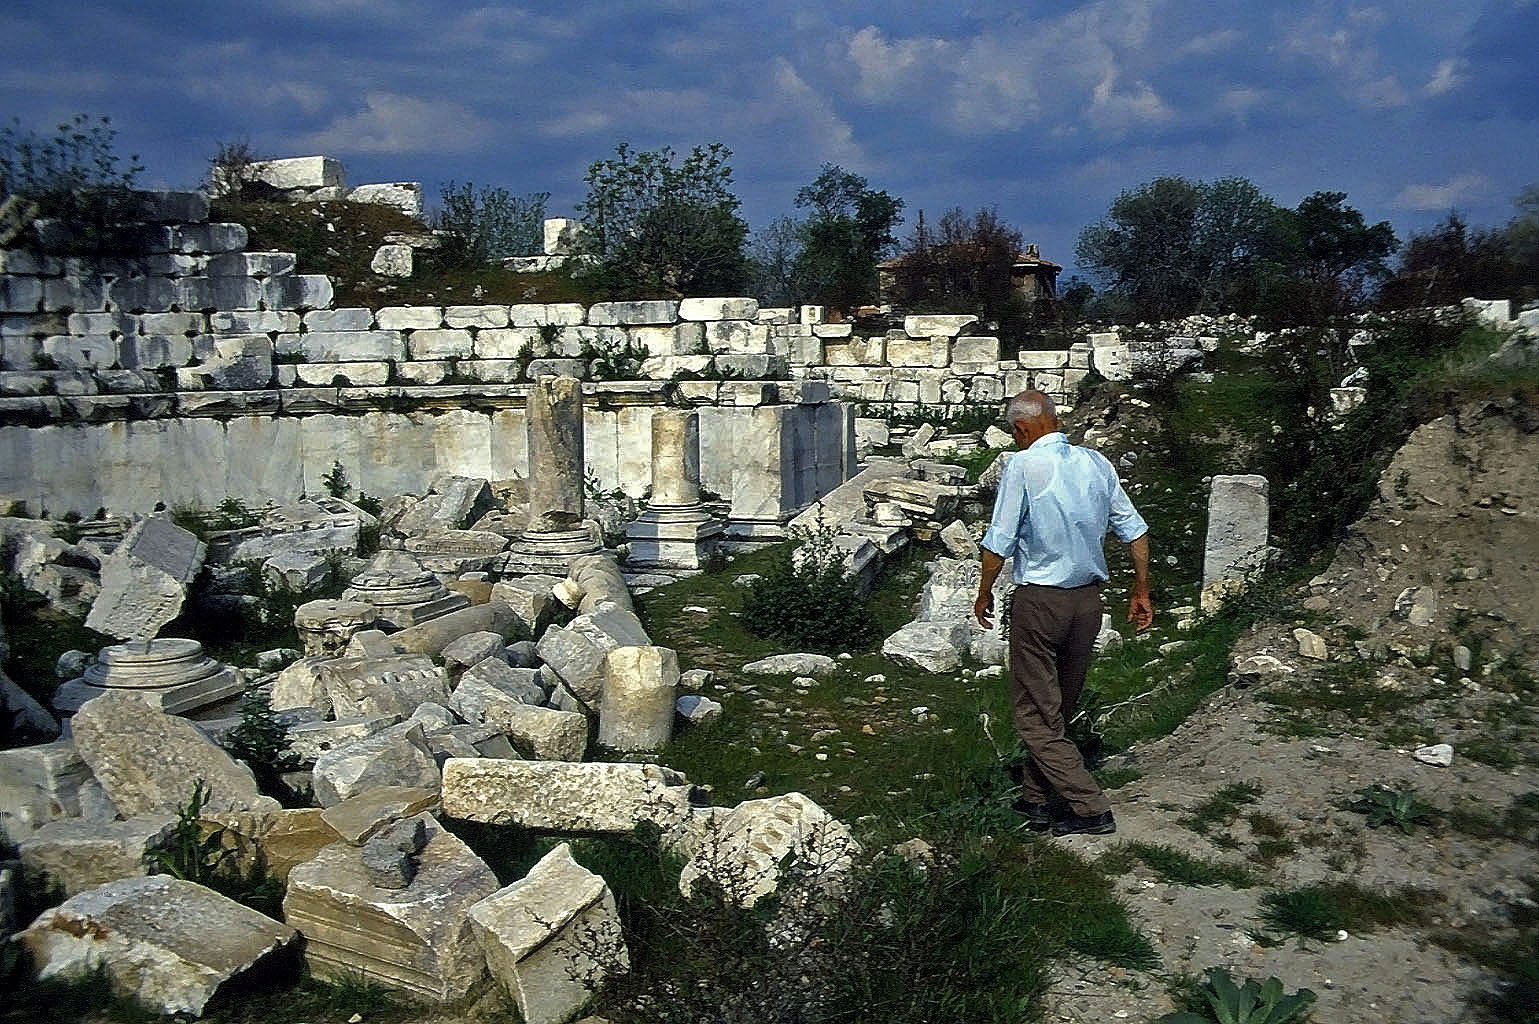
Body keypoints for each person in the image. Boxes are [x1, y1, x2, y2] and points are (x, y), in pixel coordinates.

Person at [973, 389, 1152, 837]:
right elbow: (1134, 529)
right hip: (1087, 602)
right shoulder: (1096, 462)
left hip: (1042, 600)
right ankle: (1035, 799)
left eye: (1016, 433)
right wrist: (1141, 588)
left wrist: (984, 589)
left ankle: (1090, 806)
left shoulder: (1022, 466)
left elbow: (999, 540)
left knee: (1034, 711)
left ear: (1023, 428)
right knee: (1060, 703)